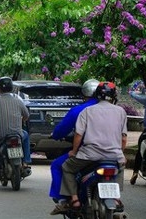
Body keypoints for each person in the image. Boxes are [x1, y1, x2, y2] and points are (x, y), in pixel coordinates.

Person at [57, 82, 127, 213]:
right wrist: (120, 153)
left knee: (67, 167)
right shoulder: (121, 112)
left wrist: (74, 151)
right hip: (113, 156)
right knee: (120, 167)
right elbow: (123, 138)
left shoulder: (87, 111)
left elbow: (78, 135)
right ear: (113, 96)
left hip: (89, 155)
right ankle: (117, 198)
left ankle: (75, 199)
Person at [48, 79, 99, 215]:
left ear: (84, 94)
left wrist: (56, 135)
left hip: (86, 152)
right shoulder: (115, 111)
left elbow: (65, 131)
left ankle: (64, 200)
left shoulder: (79, 110)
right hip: (112, 153)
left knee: (58, 165)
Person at [0, 77, 31, 176]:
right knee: (26, 136)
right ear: (12, 88)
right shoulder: (18, 101)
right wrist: (20, 121)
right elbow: (26, 116)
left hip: (0, 136)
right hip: (18, 134)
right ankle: (25, 162)